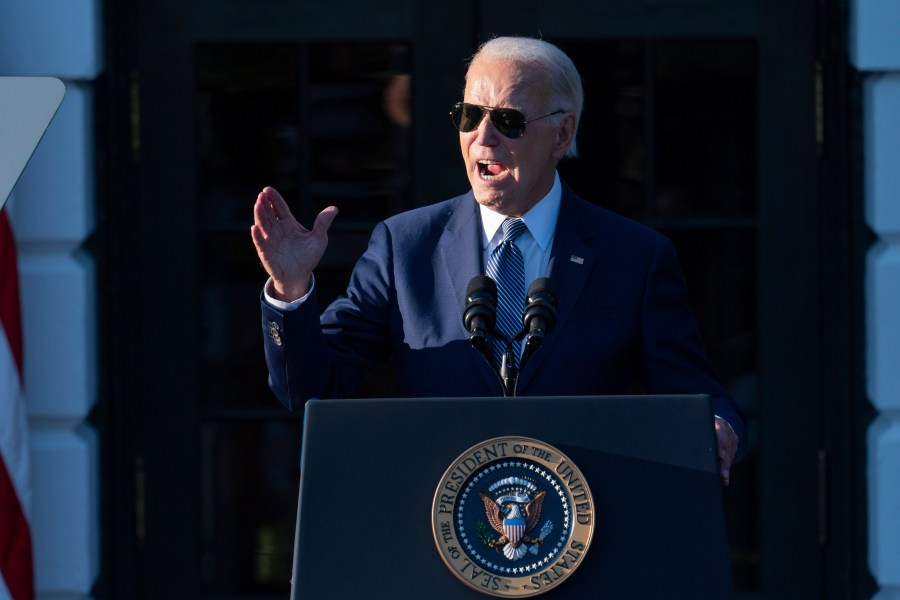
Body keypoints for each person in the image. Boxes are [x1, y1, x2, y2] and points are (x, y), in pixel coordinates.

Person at [251, 36, 745, 484]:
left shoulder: (633, 256)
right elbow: (311, 387)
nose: (483, 139)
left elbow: (696, 395)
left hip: (583, 534)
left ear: (561, 134)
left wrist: (719, 427)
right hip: (440, 534)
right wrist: (291, 292)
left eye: (508, 121)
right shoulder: (406, 245)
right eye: (470, 116)